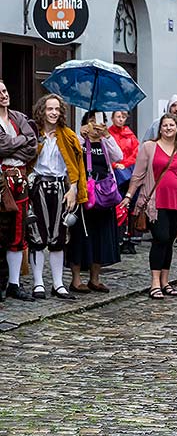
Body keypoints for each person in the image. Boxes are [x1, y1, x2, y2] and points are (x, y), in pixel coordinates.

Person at [123, 113, 177, 299]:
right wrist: (129, 195)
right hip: (157, 203)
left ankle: (165, 281)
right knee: (160, 238)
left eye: (172, 125)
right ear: (160, 128)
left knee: (169, 241)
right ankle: (154, 282)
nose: (168, 128)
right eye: (165, 125)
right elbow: (138, 175)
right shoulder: (149, 147)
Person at [28, 94, 87, 301]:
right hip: (38, 187)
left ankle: (58, 284)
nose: (53, 113)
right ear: (42, 111)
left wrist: (73, 190)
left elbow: (76, 167)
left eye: (57, 109)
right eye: (49, 109)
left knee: (59, 237)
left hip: (61, 188)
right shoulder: (33, 133)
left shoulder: (69, 135)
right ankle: (37, 283)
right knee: (37, 237)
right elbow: (26, 159)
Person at [67, 112, 124, 293]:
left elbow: (118, 156)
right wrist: (82, 136)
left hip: (104, 195)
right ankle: (76, 280)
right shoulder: (80, 141)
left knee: (101, 237)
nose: (95, 125)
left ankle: (95, 278)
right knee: (80, 237)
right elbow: (71, 155)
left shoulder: (105, 142)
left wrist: (107, 135)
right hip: (85, 196)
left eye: (99, 121)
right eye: (91, 121)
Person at [0, 80, 38, 301]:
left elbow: (32, 145)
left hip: (20, 180)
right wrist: (17, 143)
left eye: (4, 91)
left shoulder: (19, 117)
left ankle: (14, 283)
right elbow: (1, 147)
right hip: (1, 181)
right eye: (0, 93)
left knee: (17, 232)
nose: (4, 95)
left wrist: (14, 143)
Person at [108, 110, 140, 255]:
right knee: (117, 205)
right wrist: (116, 165)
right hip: (114, 174)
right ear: (112, 118)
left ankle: (130, 238)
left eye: (123, 117)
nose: (121, 119)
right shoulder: (108, 134)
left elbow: (136, 152)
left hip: (128, 172)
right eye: (118, 116)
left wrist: (125, 164)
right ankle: (117, 237)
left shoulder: (130, 134)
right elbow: (108, 153)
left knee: (131, 205)